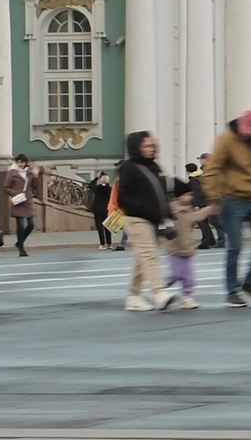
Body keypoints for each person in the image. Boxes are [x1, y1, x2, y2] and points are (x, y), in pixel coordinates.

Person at [202, 110, 251, 308]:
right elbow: (212, 169)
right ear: (239, 126)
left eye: (250, 132)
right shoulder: (226, 139)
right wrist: (214, 198)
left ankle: (250, 283)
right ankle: (232, 292)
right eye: (244, 131)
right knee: (235, 246)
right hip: (231, 200)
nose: (246, 135)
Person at [114, 130, 171, 311]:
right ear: (136, 147)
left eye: (152, 144)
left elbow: (161, 193)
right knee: (149, 255)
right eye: (146, 145)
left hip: (153, 219)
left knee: (141, 258)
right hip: (137, 219)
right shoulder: (129, 168)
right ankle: (159, 292)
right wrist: (144, 209)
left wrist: (166, 215)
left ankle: (133, 296)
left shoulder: (155, 167)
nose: (151, 148)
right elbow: (122, 197)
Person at [158, 183, 208, 310]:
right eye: (186, 195)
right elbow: (163, 223)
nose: (189, 197)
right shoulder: (172, 210)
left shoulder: (188, 209)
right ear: (178, 196)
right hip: (175, 248)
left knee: (189, 276)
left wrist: (209, 210)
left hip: (186, 247)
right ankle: (158, 289)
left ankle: (186, 296)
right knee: (175, 274)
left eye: (190, 195)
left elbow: (195, 217)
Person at [2, 156, 41, 257]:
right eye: (18, 162)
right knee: (20, 225)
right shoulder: (12, 172)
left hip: (28, 201)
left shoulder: (30, 173)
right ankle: (21, 248)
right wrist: (15, 193)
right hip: (18, 201)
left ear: (25, 163)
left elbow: (36, 186)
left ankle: (20, 241)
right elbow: (6, 187)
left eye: (22, 162)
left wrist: (36, 176)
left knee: (31, 224)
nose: (20, 164)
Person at [86, 173, 114, 250]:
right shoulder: (110, 189)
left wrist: (96, 178)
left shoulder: (97, 188)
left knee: (100, 227)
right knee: (107, 227)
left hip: (98, 209)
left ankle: (103, 244)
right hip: (107, 209)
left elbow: (90, 185)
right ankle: (109, 244)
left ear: (101, 180)